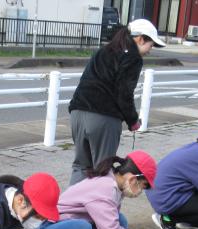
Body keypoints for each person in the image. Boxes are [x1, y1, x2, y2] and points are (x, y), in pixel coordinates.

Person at [67, 18, 165, 185]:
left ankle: (69, 209)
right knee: (102, 170)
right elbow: (124, 93)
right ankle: (97, 209)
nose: (150, 50)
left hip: (78, 112)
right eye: (151, 44)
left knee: (80, 166)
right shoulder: (133, 57)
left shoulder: (105, 49)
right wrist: (133, 120)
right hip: (103, 117)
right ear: (140, 39)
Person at [37, 150, 158, 229]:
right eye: (143, 186)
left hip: (70, 225)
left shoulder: (115, 184)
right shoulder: (105, 188)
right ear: (133, 179)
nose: (141, 191)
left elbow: (110, 219)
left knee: (120, 220)